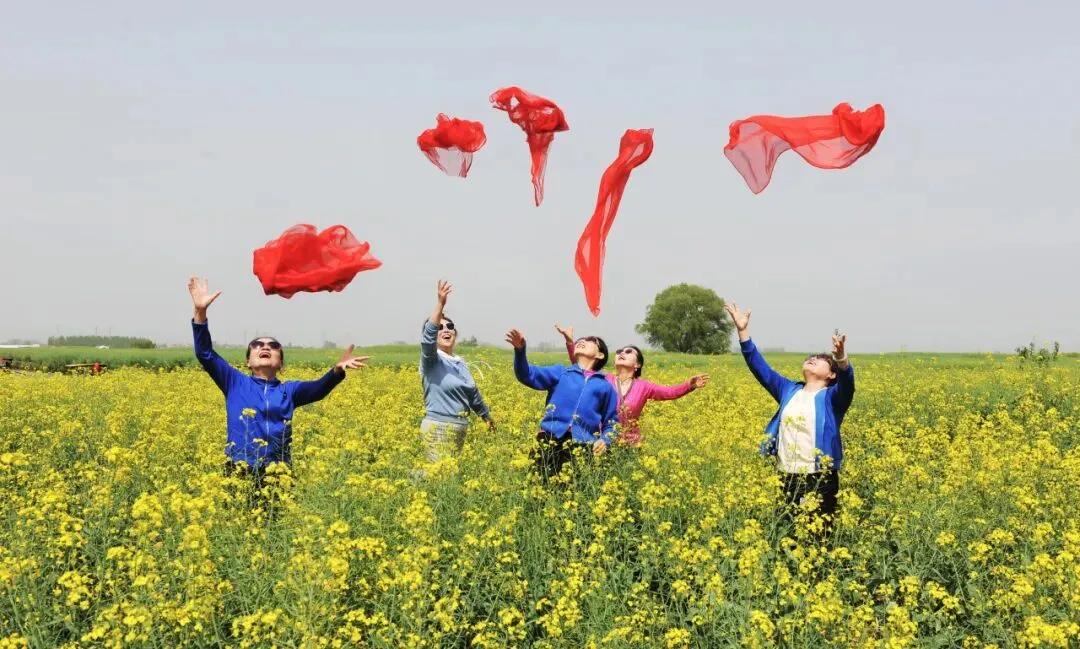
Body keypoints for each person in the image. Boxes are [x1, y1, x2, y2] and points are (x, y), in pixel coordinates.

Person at [188, 276, 368, 487]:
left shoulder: (289, 391)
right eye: (257, 345)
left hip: (279, 472)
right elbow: (205, 353)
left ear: (281, 363)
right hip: (240, 469)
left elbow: (318, 388)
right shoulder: (234, 382)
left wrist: (336, 371)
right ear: (248, 362)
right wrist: (200, 312)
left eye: (273, 346)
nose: (265, 347)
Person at [725, 302, 855, 538]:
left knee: (817, 537)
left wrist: (841, 359)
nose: (812, 359)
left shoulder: (834, 398)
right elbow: (760, 368)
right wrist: (743, 332)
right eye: (810, 357)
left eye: (820, 359)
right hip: (786, 474)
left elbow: (847, 383)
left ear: (831, 374)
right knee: (788, 534)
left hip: (819, 476)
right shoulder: (788, 390)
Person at [556, 324, 709, 447]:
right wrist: (570, 342)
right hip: (602, 444)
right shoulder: (603, 379)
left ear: (637, 364)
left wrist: (689, 385)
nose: (622, 353)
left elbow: (669, 392)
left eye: (628, 352)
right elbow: (582, 366)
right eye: (619, 351)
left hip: (631, 446)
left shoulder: (644, 386)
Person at [505, 327, 619, 479]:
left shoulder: (605, 387)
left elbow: (612, 423)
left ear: (600, 355)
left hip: (582, 445)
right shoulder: (561, 372)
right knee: (538, 484)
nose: (583, 341)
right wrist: (520, 351)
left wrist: (605, 440)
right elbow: (527, 375)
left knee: (573, 489)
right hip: (549, 438)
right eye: (581, 340)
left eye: (591, 340)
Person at [419, 280, 495, 462]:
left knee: (449, 474)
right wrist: (440, 304)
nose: (446, 330)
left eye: (450, 326)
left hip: (459, 429)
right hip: (437, 428)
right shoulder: (431, 360)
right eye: (439, 328)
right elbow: (427, 339)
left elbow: (473, 394)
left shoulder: (461, 363)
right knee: (437, 474)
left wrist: (486, 417)